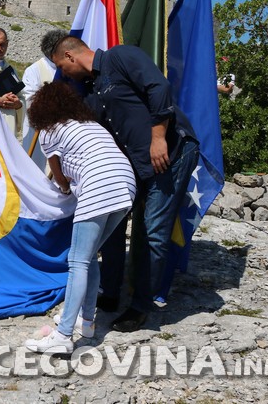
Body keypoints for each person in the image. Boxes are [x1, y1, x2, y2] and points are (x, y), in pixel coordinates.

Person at [47, 32, 199, 333]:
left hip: (171, 153)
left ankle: (140, 307)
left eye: (62, 68)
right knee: (113, 226)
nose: (64, 74)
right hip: (136, 165)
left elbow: (158, 87)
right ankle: (111, 291)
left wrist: (158, 137)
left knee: (152, 231)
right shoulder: (90, 92)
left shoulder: (121, 57)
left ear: (70, 56)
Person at [23, 81, 136, 354]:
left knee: (77, 261)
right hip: (126, 184)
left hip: (99, 186)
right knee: (90, 256)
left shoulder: (50, 130)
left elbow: (60, 177)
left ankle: (63, 335)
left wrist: (64, 188)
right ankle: (86, 322)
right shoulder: (89, 124)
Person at [21, 29, 64, 172]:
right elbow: (30, 100)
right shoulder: (34, 71)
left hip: (63, 131)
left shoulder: (66, 68)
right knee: (37, 170)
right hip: (39, 131)